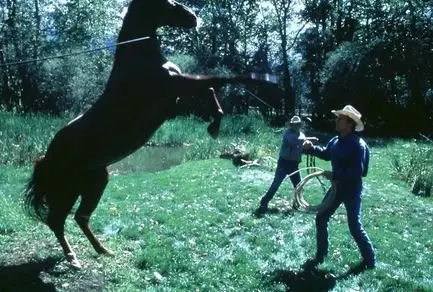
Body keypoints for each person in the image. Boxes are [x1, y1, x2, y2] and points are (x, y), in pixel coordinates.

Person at [302, 105, 376, 273]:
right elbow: (327, 154)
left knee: (354, 226)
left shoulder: (359, 145)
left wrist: (335, 174)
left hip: (351, 190)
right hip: (337, 187)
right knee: (321, 218)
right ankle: (321, 255)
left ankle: (370, 260)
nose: (337, 120)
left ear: (349, 123)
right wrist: (311, 149)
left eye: (340, 118)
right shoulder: (335, 141)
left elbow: (359, 172)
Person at [257, 115, 316, 213]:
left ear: (299, 125)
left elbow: (302, 145)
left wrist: (309, 145)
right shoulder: (287, 133)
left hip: (294, 164)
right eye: (294, 124)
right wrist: (310, 139)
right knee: (276, 184)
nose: (296, 126)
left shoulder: (302, 135)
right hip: (284, 163)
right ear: (291, 125)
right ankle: (264, 201)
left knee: (299, 186)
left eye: (298, 124)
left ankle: (296, 203)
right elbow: (294, 141)